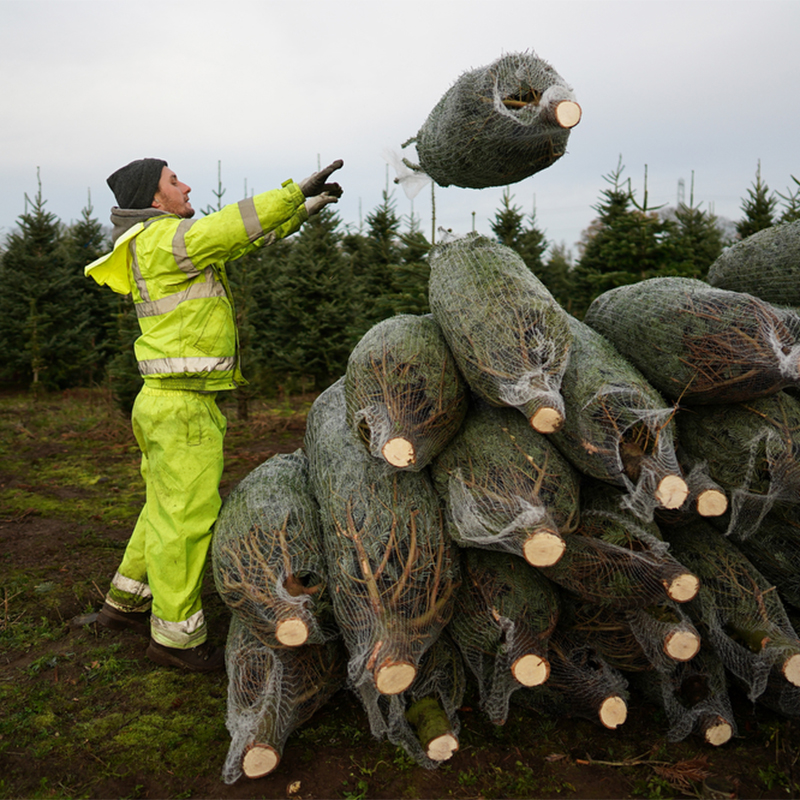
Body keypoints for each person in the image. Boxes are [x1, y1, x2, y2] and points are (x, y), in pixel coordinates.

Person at [85, 157, 343, 671]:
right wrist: (292, 193)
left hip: (163, 401)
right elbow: (230, 225)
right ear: (155, 201)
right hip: (182, 409)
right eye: (173, 181)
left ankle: (126, 602)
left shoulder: (161, 244)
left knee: (163, 507)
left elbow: (238, 241)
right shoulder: (167, 239)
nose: (184, 187)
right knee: (185, 522)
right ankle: (176, 641)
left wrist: (301, 212)